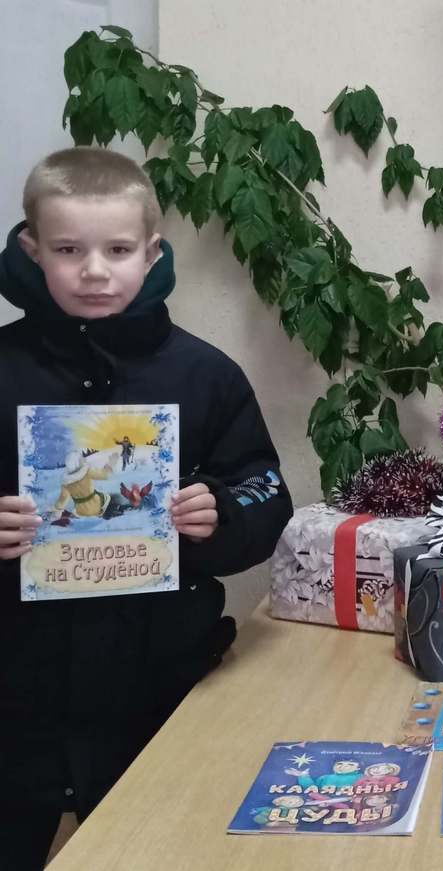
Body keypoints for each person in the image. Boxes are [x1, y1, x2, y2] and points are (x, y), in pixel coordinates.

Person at [0, 146, 293, 869]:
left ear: (152, 252)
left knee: (156, 846)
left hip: (157, 683)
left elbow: (265, 487)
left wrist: (222, 512)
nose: (94, 271)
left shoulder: (205, 374)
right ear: (33, 250)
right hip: (17, 691)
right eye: (68, 250)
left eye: (117, 249)